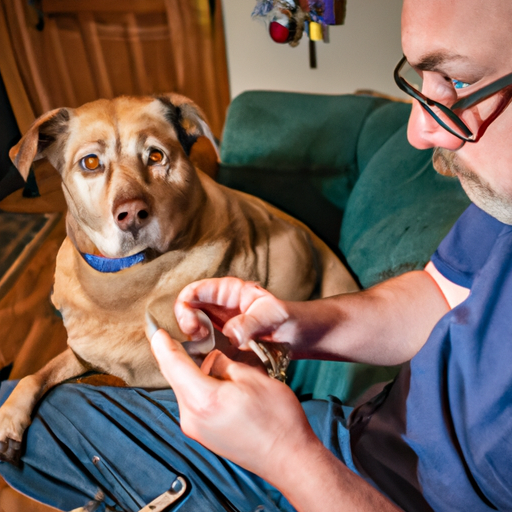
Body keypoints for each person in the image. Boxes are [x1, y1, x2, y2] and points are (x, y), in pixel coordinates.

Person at [2, 0, 512, 510]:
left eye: (459, 83)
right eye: (419, 79)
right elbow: (441, 292)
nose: (417, 132)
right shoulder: (499, 210)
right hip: (355, 432)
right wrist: (294, 325)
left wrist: (284, 451)